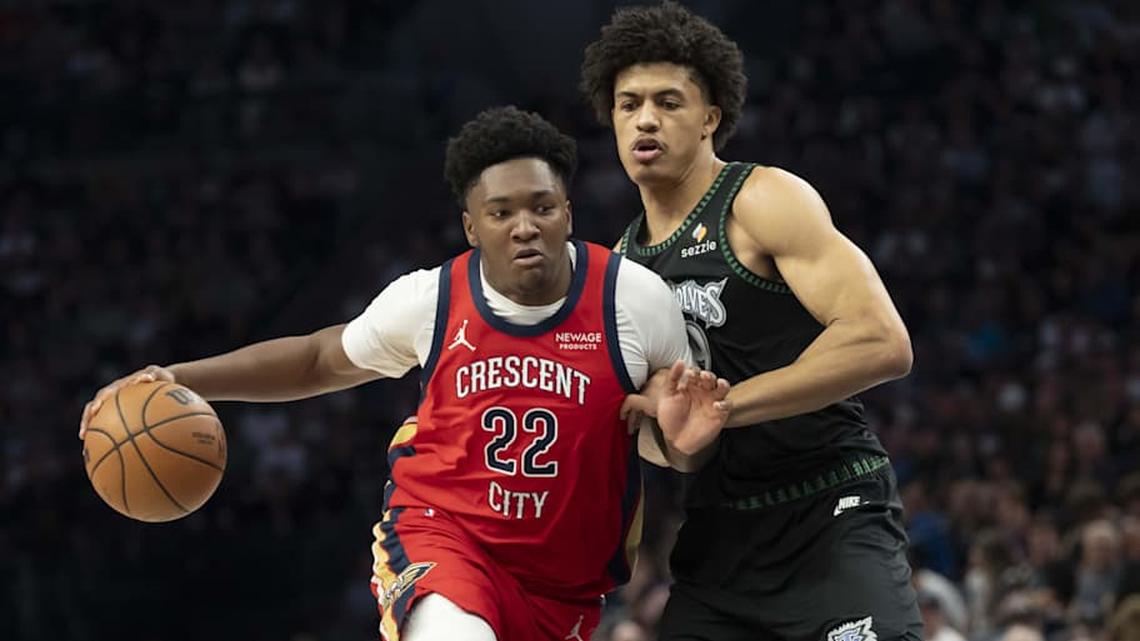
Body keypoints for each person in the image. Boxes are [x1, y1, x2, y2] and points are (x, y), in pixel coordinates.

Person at [78, 106, 731, 641]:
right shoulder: (431, 299)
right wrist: (179, 375)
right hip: (445, 537)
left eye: (542, 206)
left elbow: (662, 441)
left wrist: (685, 443)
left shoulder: (637, 300)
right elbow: (316, 358)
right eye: (502, 212)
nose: (525, 226)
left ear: (568, 209)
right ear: (472, 226)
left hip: (567, 586)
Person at [580, 3, 921, 641]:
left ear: (710, 118)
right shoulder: (621, 270)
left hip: (830, 506)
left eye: (668, 102)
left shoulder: (760, 199)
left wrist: (729, 406)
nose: (645, 119)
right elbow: (673, 447)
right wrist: (674, 432)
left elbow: (882, 340)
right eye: (628, 105)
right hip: (719, 537)